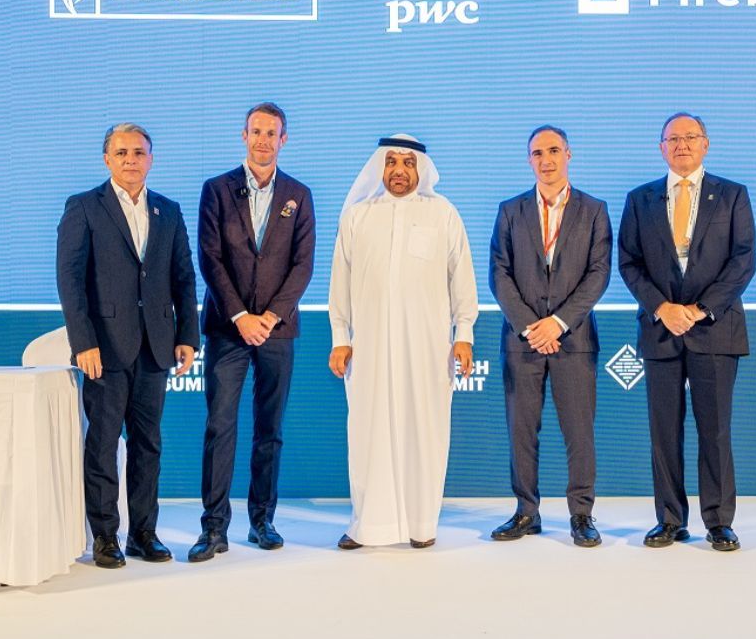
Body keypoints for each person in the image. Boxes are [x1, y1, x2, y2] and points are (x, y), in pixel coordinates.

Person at [57, 123, 199, 568]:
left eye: (139, 152)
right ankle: (105, 536)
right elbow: (70, 280)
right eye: (121, 153)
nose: (130, 160)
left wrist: (187, 335)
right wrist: (83, 342)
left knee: (147, 445)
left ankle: (143, 534)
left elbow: (183, 277)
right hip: (104, 349)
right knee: (103, 445)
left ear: (151, 159)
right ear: (107, 159)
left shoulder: (168, 211)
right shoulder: (84, 206)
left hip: (156, 347)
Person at [328, 135, 478, 549]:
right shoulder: (357, 216)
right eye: (391, 161)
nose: (398, 170)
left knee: (424, 431)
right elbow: (340, 281)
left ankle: (421, 525)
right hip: (370, 347)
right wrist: (340, 337)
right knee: (368, 432)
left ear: (420, 170)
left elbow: (462, 278)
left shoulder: (443, 213)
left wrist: (464, 335)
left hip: (427, 348)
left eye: (408, 163)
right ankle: (369, 524)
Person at [617, 112, 756, 552]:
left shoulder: (732, 195)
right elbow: (629, 263)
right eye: (673, 139)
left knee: (714, 431)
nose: (682, 145)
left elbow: (743, 261)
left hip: (714, 328)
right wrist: (662, 308)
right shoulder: (639, 199)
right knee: (664, 432)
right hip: (661, 330)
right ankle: (670, 519)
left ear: (705, 144)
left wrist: (698, 310)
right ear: (661, 148)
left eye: (690, 137)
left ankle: (719, 522)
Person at [188, 103, 315, 562]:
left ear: (284, 139)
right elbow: (210, 258)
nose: (263, 140)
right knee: (220, 426)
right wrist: (241, 315)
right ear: (244, 136)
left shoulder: (299, 194)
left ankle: (262, 520)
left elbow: (302, 265)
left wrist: (270, 317)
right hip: (228, 328)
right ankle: (213, 528)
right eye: (256, 131)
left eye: (271, 133)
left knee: (270, 429)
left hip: (277, 332)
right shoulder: (216, 189)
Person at [489, 125, 612, 547]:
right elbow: (499, 274)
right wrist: (530, 326)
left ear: (568, 155)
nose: (546, 160)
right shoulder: (510, 211)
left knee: (579, 432)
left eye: (554, 150)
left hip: (573, 340)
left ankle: (581, 514)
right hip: (521, 341)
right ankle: (526, 511)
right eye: (538, 153)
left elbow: (598, 275)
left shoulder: (594, 210)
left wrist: (557, 323)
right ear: (529, 160)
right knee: (522, 430)